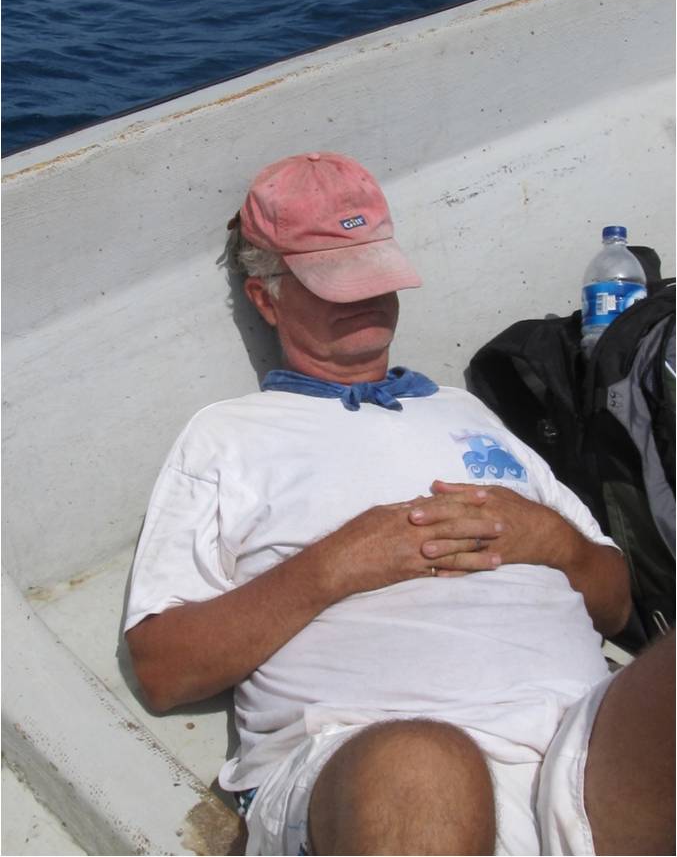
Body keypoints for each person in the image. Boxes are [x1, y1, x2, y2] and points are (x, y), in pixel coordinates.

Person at [125, 152, 674, 856]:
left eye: (374, 275)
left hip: (580, 749)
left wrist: (555, 541)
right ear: (266, 298)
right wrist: (335, 565)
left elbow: (616, 605)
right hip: (369, 756)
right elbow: (164, 668)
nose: (365, 298)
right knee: (421, 767)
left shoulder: (465, 410)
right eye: (335, 282)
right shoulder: (227, 436)